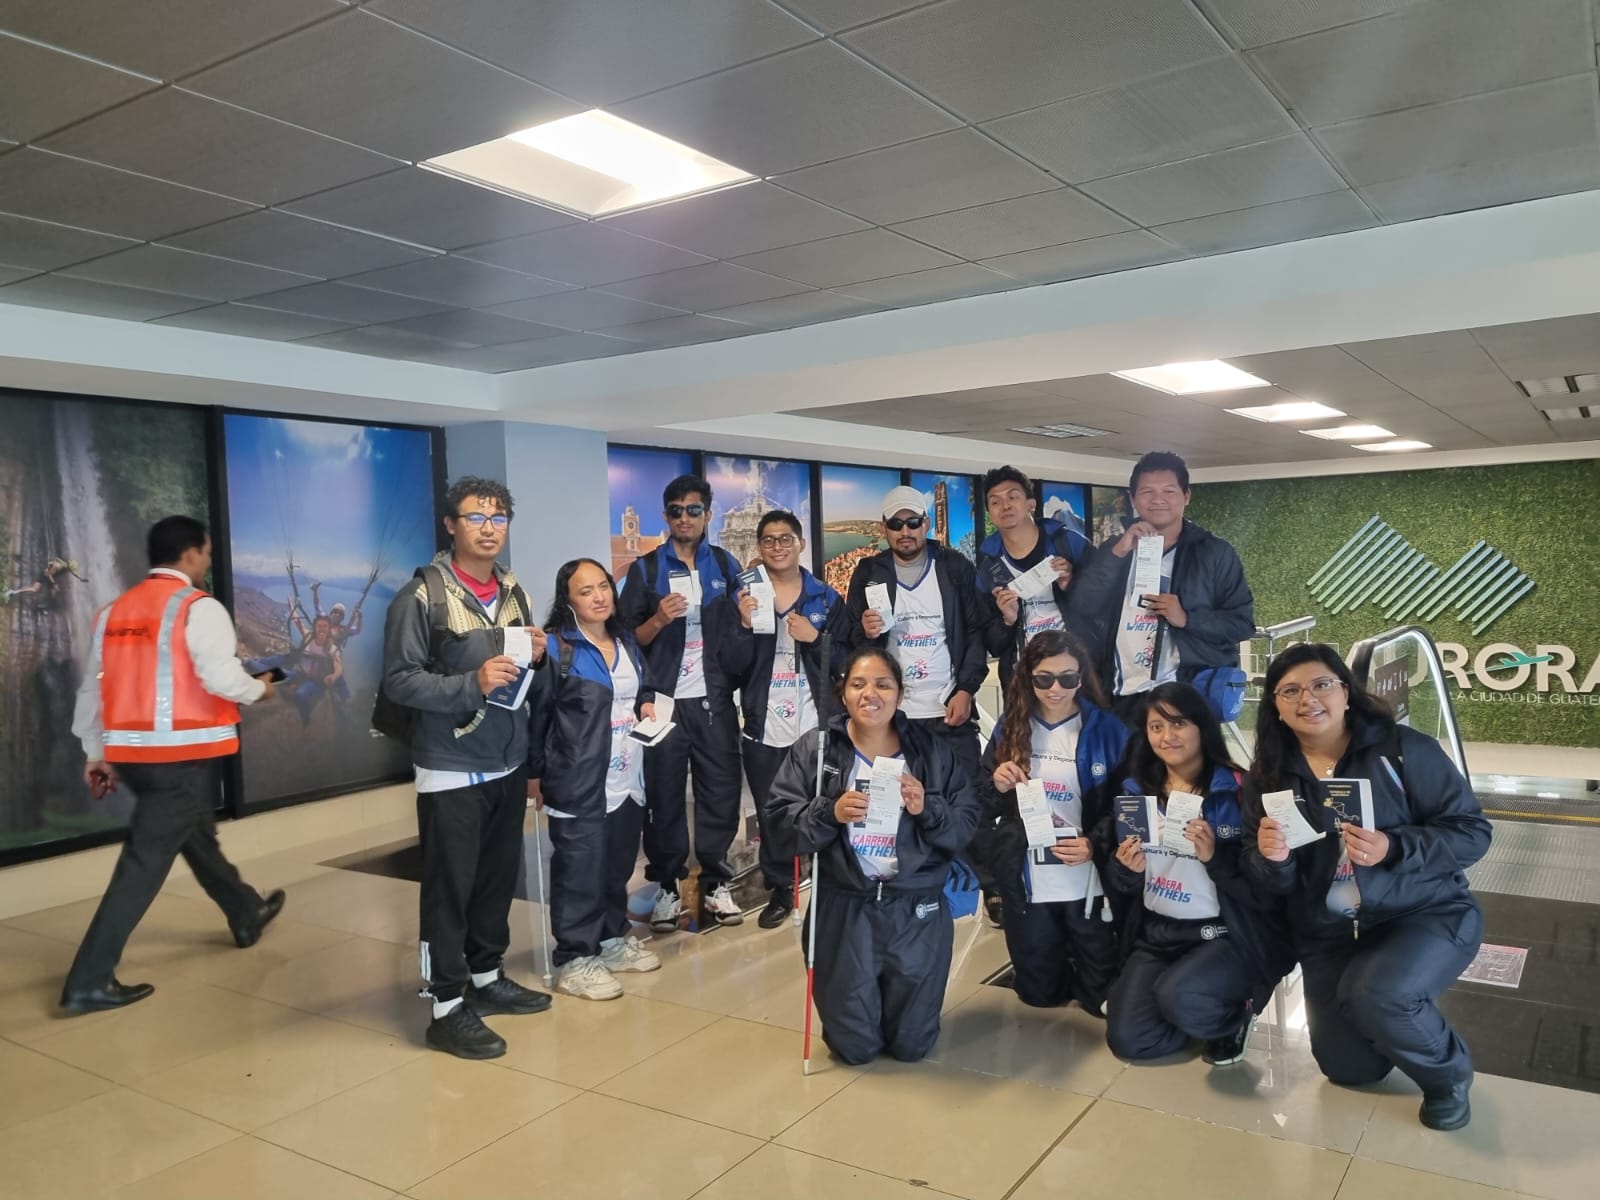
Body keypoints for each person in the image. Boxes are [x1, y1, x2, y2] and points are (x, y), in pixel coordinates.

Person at [1243, 643, 1491, 1131]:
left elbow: (1472, 833)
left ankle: (1448, 1075)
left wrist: (1393, 848)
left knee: (1375, 993)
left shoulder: (1403, 750)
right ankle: (1395, 1008)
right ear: (1275, 706)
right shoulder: (1269, 775)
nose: (1307, 699)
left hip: (1421, 913)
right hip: (1329, 930)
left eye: (1321, 685)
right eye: (1290, 691)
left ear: (1346, 691)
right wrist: (1272, 859)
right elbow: (1268, 877)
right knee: (1348, 1070)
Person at [61, 516, 284, 1015]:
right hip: (179, 757)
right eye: (206, 553)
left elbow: (91, 689)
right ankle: (88, 982)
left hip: (132, 757)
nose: (207, 561)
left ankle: (246, 911)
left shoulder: (112, 612)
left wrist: (95, 753)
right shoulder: (197, 607)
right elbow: (220, 678)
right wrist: (260, 689)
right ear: (190, 554)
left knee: (194, 832)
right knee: (142, 865)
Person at [381, 477, 551, 1061]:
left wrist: (536, 655)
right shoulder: (420, 597)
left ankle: (485, 974)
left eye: (498, 518)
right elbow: (400, 681)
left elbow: (518, 672)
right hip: (451, 766)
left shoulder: (512, 590)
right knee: (449, 889)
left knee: (496, 878)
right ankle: (446, 1003)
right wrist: (470, 683)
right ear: (450, 524)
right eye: (476, 517)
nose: (488, 528)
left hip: (505, 759)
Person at [770, 647, 981, 1064]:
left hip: (915, 906)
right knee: (854, 1050)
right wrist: (829, 812)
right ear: (843, 693)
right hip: (844, 905)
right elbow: (778, 823)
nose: (871, 694)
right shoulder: (817, 750)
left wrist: (927, 808)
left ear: (900, 694)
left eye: (883, 685)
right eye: (858, 684)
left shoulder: (931, 750)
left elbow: (966, 823)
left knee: (912, 1047)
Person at [1103, 683, 1294, 1066]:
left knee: (1179, 995)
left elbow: (1266, 888)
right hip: (1158, 932)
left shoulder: (1239, 789)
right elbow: (1121, 879)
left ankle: (1231, 1016)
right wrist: (1126, 869)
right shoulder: (1135, 791)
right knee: (1129, 1040)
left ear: (1201, 727)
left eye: (1179, 723)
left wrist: (1214, 857)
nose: (1167, 736)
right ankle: (1185, 1004)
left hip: (1224, 933)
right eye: (1156, 727)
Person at [848, 484, 998, 922]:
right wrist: (866, 630)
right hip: (896, 717)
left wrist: (966, 689)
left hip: (948, 708)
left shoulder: (952, 567)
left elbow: (974, 632)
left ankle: (986, 884)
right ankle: (909, 886)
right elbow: (853, 642)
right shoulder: (869, 572)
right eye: (896, 524)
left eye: (913, 522)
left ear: (926, 524)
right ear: (884, 529)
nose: (905, 531)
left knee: (967, 799)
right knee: (897, 804)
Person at [528, 558, 665, 1000]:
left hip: (628, 775)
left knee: (616, 864)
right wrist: (534, 773)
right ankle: (575, 956)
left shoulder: (625, 640)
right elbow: (538, 716)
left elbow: (642, 688)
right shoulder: (556, 649)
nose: (599, 596)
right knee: (579, 870)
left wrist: (646, 704)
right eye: (586, 591)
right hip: (578, 778)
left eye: (603, 586)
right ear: (567, 600)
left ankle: (609, 938)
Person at [617, 474, 745, 932]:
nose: (685, 518)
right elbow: (627, 640)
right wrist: (658, 618)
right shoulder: (646, 570)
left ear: (708, 515)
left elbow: (742, 628)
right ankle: (668, 886)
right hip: (663, 703)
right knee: (664, 795)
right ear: (666, 516)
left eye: (693, 510)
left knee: (721, 792)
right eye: (676, 511)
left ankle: (716, 882)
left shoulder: (726, 566)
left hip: (714, 700)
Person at [977, 630, 1126, 1015]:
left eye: (1067, 678)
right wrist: (995, 784)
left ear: (1082, 677)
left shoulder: (1107, 730)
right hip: (1029, 879)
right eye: (1043, 679)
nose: (1055, 689)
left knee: (1099, 999)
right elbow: (979, 802)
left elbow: (1128, 805)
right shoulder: (1011, 727)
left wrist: (1095, 843)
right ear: (1028, 678)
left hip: (1086, 880)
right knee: (1039, 996)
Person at [721, 511, 851, 928]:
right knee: (773, 811)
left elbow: (848, 661)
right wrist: (744, 625)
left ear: (801, 545)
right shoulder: (743, 596)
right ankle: (781, 886)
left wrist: (816, 640)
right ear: (759, 547)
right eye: (769, 540)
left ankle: (833, 882)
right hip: (764, 724)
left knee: (826, 805)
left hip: (817, 723)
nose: (777, 547)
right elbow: (729, 665)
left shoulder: (825, 598)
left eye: (785, 539)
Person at [1068, 451, 1254, 725]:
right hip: (1122, 696)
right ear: (1133, 499)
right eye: (1147, 492)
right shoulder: (1115, 549)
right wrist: (1118, 552)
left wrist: (1187, 618)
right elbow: (1082, 604)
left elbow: (1242, 624)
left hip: (1186, 695)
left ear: (1186, 496)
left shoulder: (1214, 553)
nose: (1158, 499)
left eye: (1168, 490)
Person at [975, 466, 1096, 695]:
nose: (1005, 506)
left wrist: (1071, 585)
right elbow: (993, 644)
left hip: (1077, 679)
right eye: (995, 502)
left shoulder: (1070, 545)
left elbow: (1104, 606)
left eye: (1013, 497)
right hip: (1024, 685)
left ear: (1031, 504)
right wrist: (1008, 621)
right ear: (989, 512)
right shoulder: (988, 569)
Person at [285, 614, 343, 726]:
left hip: (316, 681)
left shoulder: (332, 649)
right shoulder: (309, 638)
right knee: (277, 675)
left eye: (325, 626)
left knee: (300, 695)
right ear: (315, 628)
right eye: (319, 626)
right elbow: (299, 624)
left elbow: (338, 667)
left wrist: (334, 676)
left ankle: (305, 719)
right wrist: (293, 609)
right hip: (301, 673)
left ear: (329, 629)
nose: (322, 629)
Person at [5, 555, 86, 600]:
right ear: (69, 567)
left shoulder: (65, 566)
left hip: (50, 578)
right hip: (45, 576)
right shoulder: (58, 566)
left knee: (54, 592)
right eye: (71, 569)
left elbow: (73, 573)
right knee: (34, 589)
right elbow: (48, 574)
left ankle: (49, 601)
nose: (71, 571)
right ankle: (13, 592)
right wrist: (54, 584)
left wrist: (81, 578)